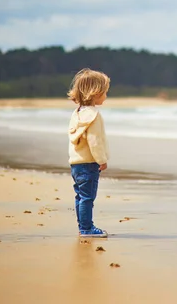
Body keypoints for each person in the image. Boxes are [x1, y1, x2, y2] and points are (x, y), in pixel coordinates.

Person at [67, 68, 110, 237]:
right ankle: (86, 228)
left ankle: (82, 226)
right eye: (105, 92)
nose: (106, 96)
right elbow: (95, 141)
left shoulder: (77, 114)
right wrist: (101, 160)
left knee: (80, 196)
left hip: (76, 163)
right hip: (89, 163)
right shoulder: (94, 116)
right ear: (96, 93)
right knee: (88, 198)